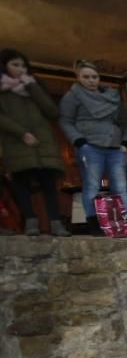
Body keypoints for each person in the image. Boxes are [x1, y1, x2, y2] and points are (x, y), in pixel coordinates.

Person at [59, 59, 127, 237]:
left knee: (120, 187)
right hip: (90, 147)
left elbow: (125, 122)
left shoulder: (112, 97)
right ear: (78, 77)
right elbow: (65, 120)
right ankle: (95, 223)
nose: (91, 80)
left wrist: (126, 144)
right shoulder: (73, 96)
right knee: (92, 186)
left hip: (115, 148)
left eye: (94, 76)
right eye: (86, 77)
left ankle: (126, 224)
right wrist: (79, 142)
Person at [0, 49, 71, 236]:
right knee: (21, 182)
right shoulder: (2, 90)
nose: (20, 69)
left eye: (23, 65)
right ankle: (31, 221)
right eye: (15, 65)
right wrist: (21, 133)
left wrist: (33, 87)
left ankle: (56, 223)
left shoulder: (34, 86)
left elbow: (51, 112)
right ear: (4, 66)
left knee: (49, 184)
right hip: (16, 142)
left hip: (43, 142)